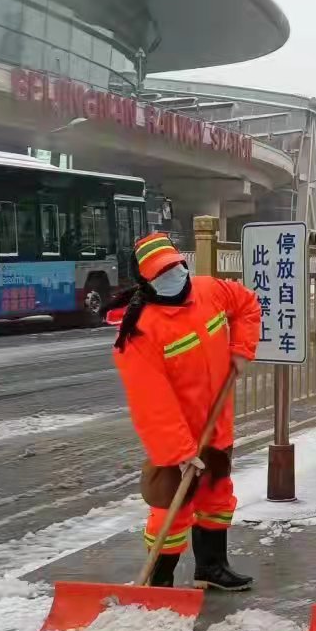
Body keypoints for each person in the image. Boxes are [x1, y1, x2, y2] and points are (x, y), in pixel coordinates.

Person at [111, 231, 262, 592]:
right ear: (147, 283)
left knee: (216, 493)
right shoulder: (140, 334)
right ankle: (160, 580)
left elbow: (247, 305)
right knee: (171, 509)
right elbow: (152, 403)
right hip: (177, 439)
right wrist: (179, 453)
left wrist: (241, 349)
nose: (173, 276)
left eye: (175, 267)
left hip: (217, 425)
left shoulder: (208, 291)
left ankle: (212, 566)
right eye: (161, 273)